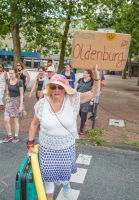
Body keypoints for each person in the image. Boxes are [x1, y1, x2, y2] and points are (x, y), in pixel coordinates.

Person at [27, 65, 100, 200]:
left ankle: (66, 184)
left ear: (65, 89)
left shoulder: (73, 100)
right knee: (48, 177)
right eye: (53, 87)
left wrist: (96, 78)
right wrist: (30, 145)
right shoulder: (42, 103)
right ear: (50, 89)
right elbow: (34, 124)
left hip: (66, 147)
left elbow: (94, 93)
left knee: (63, 176)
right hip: (47, 148)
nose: (57, 90)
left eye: (60, 87)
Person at [3, 68, 26, 143]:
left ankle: (16, 136)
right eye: (9, 73)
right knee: (6, 119)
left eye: (12, 73)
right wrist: (7, 95)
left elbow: (22, 95)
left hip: (17, 101)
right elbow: (7, 88)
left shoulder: (19, 82)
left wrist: (21, 106)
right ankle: (9, 135)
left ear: (16, 73)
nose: (10, 75)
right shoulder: (8, 80)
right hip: (10, 101)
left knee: (15, 120)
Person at [75, 69, 94, 134]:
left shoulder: (92, 81)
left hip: (86, 99)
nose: (84, 74)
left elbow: (93, 91)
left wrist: (92, 100)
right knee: (79, 112)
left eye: (86, 73)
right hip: (78, 98)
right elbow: (76, 88)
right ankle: (84, 121)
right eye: (84, 73)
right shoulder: (80, 79)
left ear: (89, 74)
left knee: (84, 114)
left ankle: (81, 129)